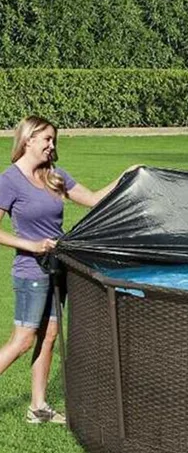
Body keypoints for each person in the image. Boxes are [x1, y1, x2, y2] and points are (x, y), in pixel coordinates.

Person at [0, 115, 136, 424]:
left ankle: (38, 407)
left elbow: (93, 199)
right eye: (47, 139)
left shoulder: (54, 176)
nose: (52, 145)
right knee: (23, 340)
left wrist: (125, 176)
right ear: (28, 139)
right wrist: (32, 245)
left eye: (54, 140)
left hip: (58, 268)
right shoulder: (9, 181)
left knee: (49, 335)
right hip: (31, 272)